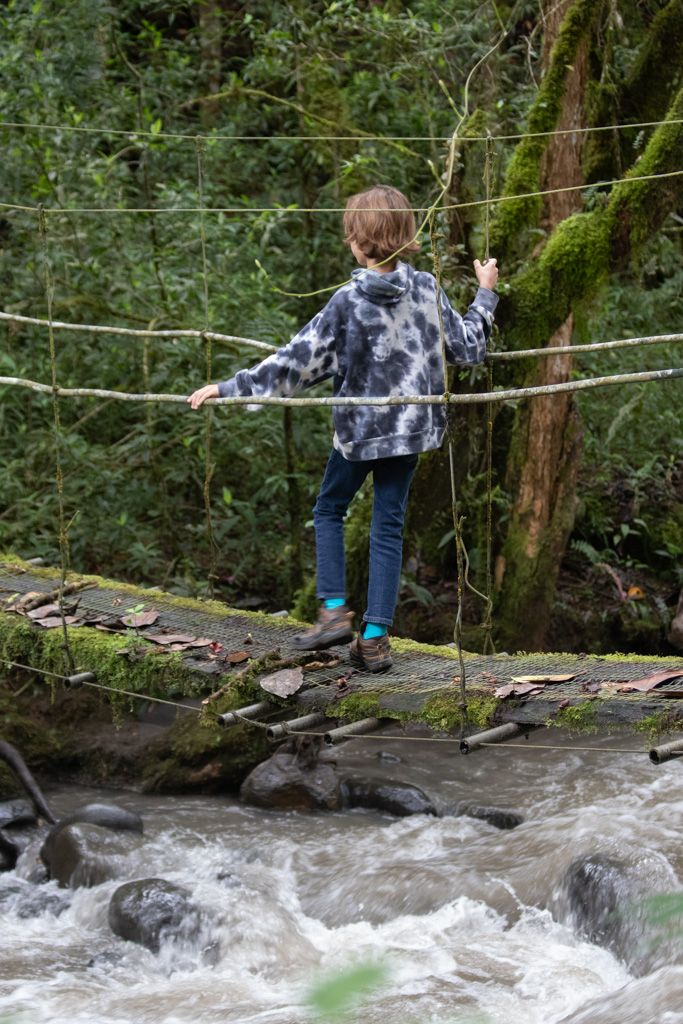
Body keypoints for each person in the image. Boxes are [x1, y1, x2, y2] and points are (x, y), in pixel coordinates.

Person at [189, 185, 499, 672]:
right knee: (388, 527)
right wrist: (486, 293)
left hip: (360, 435)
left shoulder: (347, 302)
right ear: (407, 236)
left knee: (329, 508)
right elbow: (469, 349)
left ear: (357, 242)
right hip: (412, 432)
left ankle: (334, 611)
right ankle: (374, 637)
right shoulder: (426, 290)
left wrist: (231, 387)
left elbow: (293, 364)